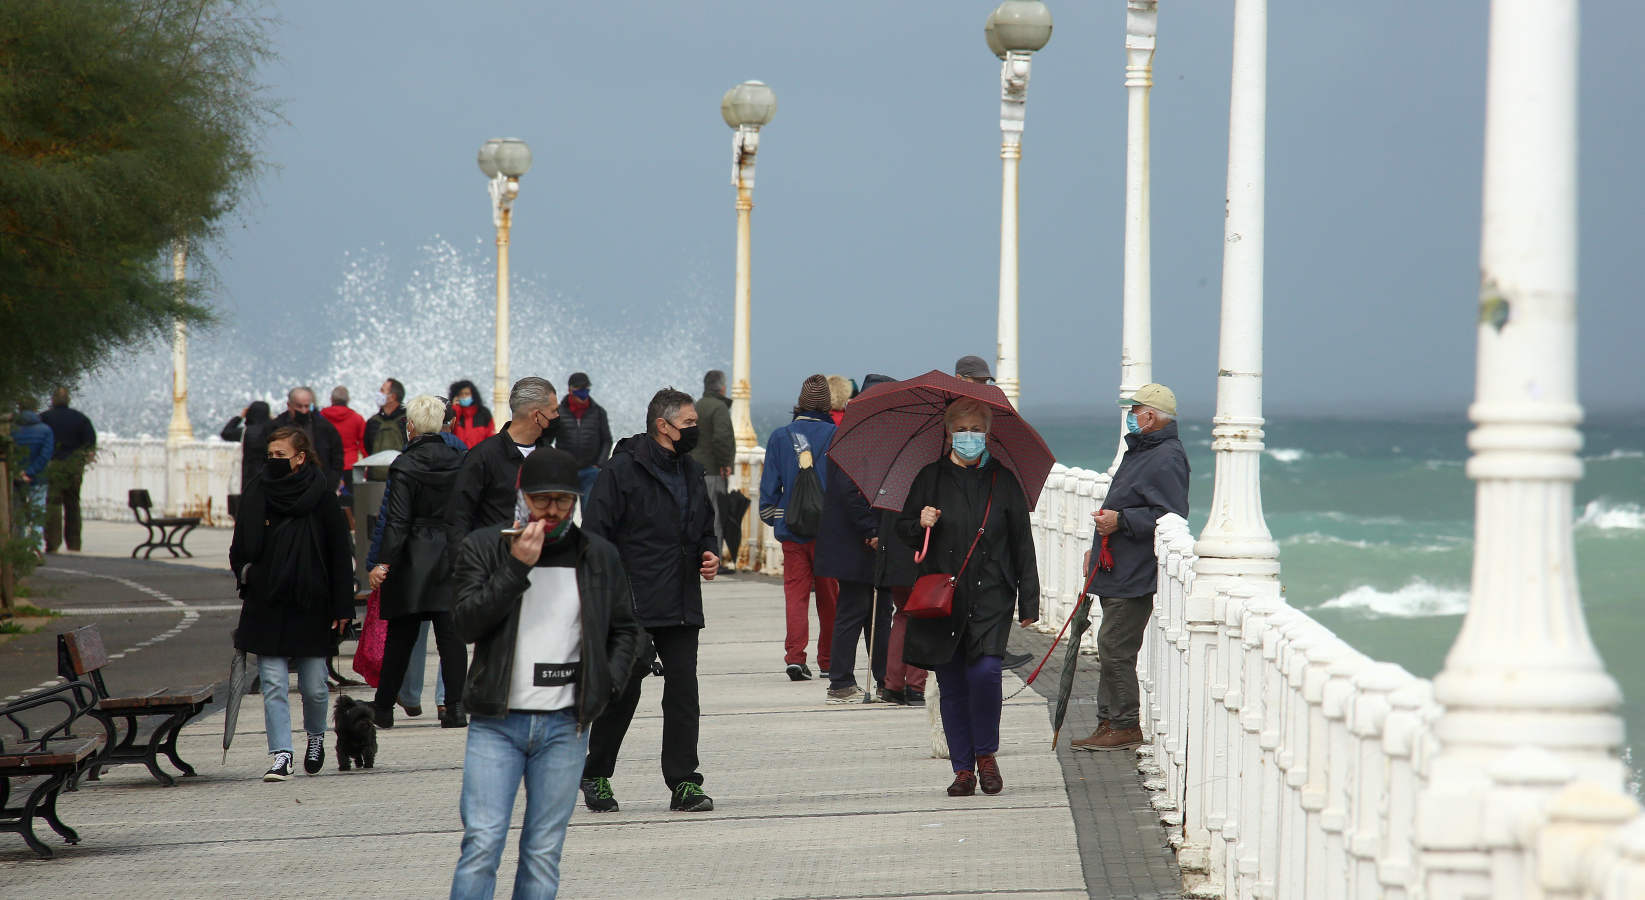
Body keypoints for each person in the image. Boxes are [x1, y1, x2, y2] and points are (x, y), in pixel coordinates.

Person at [448, 448, 640, 899]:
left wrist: (606, 686)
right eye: (541, 500)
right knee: (483, 842)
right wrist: (517, 566)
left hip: (564, 726)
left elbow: (627, 629)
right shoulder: (486, 547)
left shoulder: (597, 555)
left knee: (542, 850)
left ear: (576, 501)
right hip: (497, 723)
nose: (552, 511)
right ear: (522, 497)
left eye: (563, 500)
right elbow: (465, 623)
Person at [579, 388, 719, 814]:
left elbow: (704, 527)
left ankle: (684, 783)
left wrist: (708, 553)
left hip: (680, 600)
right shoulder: (621, 471)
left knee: (683, 694)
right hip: (632, 601)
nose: (696, 430)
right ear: (664, 425)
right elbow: (596, 537)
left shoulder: (693, 472)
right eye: (690, 423)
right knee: (623, 691)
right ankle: (596, 773)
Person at [896, 398, 1039, 796]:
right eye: (962, 429)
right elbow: (902, 529)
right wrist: (919, 522)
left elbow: (1021, 543)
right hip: (943, 597)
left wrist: (1030, 600)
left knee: (986, 673)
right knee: (953, 682)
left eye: (977, 429)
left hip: (993, 593)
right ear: (948, 433)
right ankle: (963, 769)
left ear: (988, 434)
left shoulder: (1004, 481)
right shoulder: (929, 478)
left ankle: (986, 753)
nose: (970, 436)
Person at [229, 427, 355, 781]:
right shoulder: (257, 493)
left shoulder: (322, 497)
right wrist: (248, 572)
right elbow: (239, 549)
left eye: (281, 456)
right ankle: (281, 754)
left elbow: (339, 555)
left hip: (312, 602)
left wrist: (343, 607)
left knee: (315, 686)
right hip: (267, 601)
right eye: (270, 456)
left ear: (300, 458)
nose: (273, 462)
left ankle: (316, 736)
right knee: (273, 682)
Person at [1071, 383, 1189, 753]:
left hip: (1134, 570)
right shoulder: (1141, 451)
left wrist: (1121, 522)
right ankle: (1109, 721)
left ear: (1150, 416)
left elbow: (1170, 516)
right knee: (1110, 644)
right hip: (1116, 564)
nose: (1131, 415)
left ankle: (1124, 724)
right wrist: (1099, 546)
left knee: (1114, 646)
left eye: (1134, 409)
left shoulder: (1166, 456)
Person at [365, 395, 469, 730]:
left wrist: (383, 562)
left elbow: (397, 521)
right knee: (451, 638)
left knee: (401, 638)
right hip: (451, 553)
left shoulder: (405, 464)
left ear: (410, 426)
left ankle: (383, 709)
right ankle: (455, 708)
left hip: (412, 557)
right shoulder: (461, 458)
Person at [815, 374, 894, 704]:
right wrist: (871, 530)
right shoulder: (857, 438)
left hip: (862, 541)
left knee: (876, 613)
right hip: (858, 543)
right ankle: (842, 681)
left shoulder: (860, 435)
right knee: (855, 611)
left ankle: (883, 678)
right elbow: (850, 490)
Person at [759, 374, 839, 681]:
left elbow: (767, 498)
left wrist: (780, 518)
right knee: (829, 598)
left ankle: (795, 657)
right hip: (829, 534)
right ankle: (829, 660)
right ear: (827, 405)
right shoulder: (837, 435)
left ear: (800, 404)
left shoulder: (780, 436)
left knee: (796, 596)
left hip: (792, 532)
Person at [445, 377, 560, 560]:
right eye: (554, 411)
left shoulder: (550, 457)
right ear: (536, 416)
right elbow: (458, 517)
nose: (558, 417)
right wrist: (464, 568)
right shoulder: (483, 456)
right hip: (494, 565)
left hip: (544, 566)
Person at [40, 388, 95, 554]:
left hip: (53, 465)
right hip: (73, 466)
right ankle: (74, 544)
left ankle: (53, 543)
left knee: (53, 504)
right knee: (73, 505)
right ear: (68, 400)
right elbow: (90, 446)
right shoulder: (81, 419)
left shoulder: (45, 418)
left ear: (53, 400)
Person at [691, 370, 736, 564]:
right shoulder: (719, 408)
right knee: (715, 516)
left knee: (695, 516)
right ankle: (713, 558)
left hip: (693, 471)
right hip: (712, 471)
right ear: (723, 388)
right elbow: (721, 438)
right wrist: (725, 463)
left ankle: (696, 555)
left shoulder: (696, 406)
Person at [550, 372, 612, 502]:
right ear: (570, 390)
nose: (583, 393)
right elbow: (546, 440)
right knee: (565, 514)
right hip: (565, 472)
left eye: (586, 389)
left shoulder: (599, 413)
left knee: (590, 514)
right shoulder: (557, 413)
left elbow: (606, 440)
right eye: (579, 389)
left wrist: (599, 465)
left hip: (591, 471)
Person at [271, 386, 345, 488]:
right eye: (299, 406)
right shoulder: (275, 427)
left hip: (318, 484)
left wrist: (331, 481)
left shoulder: (324, 427)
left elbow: (337, 455)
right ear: (289, 405)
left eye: (307, 406)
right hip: (286, 485)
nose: (303, 411)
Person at [10, 399, 54, 556]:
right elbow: (45, 455)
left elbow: (10, 453)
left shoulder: (11, 430)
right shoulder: (45, 430)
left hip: (15, 478)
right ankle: (35, 548)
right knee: (37, 513)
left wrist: (19, 472)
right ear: (36, 409)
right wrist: (31, 472)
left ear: (19, 408)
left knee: (18, 514)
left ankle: (20, 547)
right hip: (38, 478)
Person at [321, 385, 367, 529]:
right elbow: (363, 444)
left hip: (327, 465)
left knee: (327, 498)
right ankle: (352, 527)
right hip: (350, 465)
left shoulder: (321, 416)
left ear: (331, 399)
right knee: (350, 500)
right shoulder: (357, 418)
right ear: (347, 400)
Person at [220, 400, 274, 491]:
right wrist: (273, 419)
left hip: (246, 478)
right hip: (268, 478)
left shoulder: (244, 432)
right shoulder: (274, 431)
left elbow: (226, 433)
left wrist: (240, 417)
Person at [364, 378, 408, 481]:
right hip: (376, 480)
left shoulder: (408, 421)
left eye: (382, 391)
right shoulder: (372, 422)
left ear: (393, 397)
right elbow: (368, 447)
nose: (379, 394)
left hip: (401, 480)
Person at [447, 379, 495, 449]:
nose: (464, 396)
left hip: (480, 457)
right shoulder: (453, 413)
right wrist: (454, 409)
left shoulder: (483, 413)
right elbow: (449, 433)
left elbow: (491, 437)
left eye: (467, 394)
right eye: (461, 394)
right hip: (458, 457)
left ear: (473, 395)